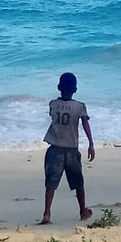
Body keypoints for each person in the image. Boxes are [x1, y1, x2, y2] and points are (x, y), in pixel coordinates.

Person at [40, 71, 95, 224]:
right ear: (75, 89)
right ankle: (83, 211)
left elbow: (54, 115)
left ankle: (47, 213)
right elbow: (85, 124)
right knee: (78, 183)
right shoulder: (79, 107)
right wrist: (91, 144)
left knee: (51, 183)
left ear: (58, 87)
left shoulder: (53, 104)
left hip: (55, 148)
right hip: (71, 149)